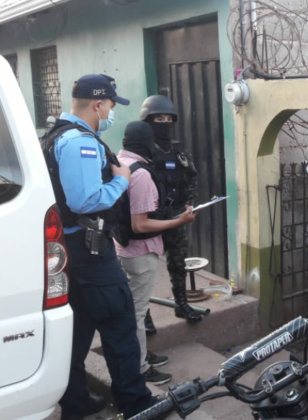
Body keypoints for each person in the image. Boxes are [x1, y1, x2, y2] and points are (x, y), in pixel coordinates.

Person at [40, 74, 156, 419]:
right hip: (89, 253)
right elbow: (85, 201)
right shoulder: (80, 142)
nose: (111, 112)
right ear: (98, 104)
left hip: (70, 251)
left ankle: (76, 404)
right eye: (110, 105)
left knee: (76, 333)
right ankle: (136, 405)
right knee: (120, 327)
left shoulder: (56, 134)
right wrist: (122, 180)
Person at [113, 121, 198, 386]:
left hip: (124, 248)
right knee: (137, 314)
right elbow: (140, 224)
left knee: (132, 309)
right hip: (140, 252)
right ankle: (140, 367)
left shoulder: (120, 162)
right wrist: (178, 221)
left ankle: (139, 354)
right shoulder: (140, 174)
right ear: (146, 143)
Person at [139, 94, 202, 325]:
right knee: (145, 269)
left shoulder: (178, 150)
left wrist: (191, 202)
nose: (164, 124)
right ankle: (143, 314)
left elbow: (191, 177)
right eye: (159, 119)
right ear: (148, 121)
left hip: (175, 215)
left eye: (168, 119)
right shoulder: (142, 151)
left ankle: (181, 304)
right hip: (150, 218)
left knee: (178, 263)